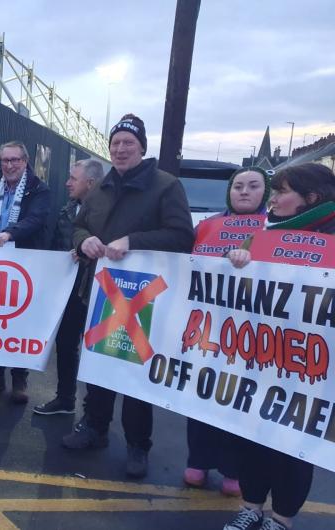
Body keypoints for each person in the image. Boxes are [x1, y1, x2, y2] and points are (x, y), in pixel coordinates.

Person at [62, 114, 194, 478]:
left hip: (144, 300)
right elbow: (78, 226)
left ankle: (138, 445)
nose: (120, 149)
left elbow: (182, 236)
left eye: (128, 143)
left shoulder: (165, 186)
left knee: (136, 375)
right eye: (116, 143)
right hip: (100, 294)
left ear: (141, 148)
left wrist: (133, 242)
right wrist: (82, 240)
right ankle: (94, 427)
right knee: (98, 367)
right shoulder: (101, 187)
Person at [223, 163, 335, 530]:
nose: (272, 199)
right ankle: (251, 506)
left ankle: (281, 519)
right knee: (253, 435)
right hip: (261, 357)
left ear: (311, 199)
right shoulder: (265, 233)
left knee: (295, 446)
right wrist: (239, 259)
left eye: (281, 191)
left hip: (312, 369)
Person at [184, 166, 271, 496]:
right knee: (202, 390)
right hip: (209, 326)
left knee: (242, 398)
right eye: (238, 186)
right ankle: (199, 460)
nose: (244, 192)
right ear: (229, 192)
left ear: (266, 191)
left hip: (252, 333)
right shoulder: (207, 226)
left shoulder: (275, 230)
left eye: (253, 186)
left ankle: (235, 468)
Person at [0, 141, 50, 404]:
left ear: (25, 161)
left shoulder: (38, 189)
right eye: (5, 160)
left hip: (24, 265)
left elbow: (36, 219)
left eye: (15, 160)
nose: (9, 165)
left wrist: (9, 234)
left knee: (20, 323)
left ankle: (19, 379)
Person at [33, 159, 103, 416]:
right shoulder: (67, 209)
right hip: (70, 290)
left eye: (73, 178)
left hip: (99, 289)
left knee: (98, 349)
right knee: (66, 342)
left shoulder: (109, 212)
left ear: (91, 183)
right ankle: (65, 399)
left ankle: (94, 414)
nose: (67, 182)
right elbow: (56, 247)